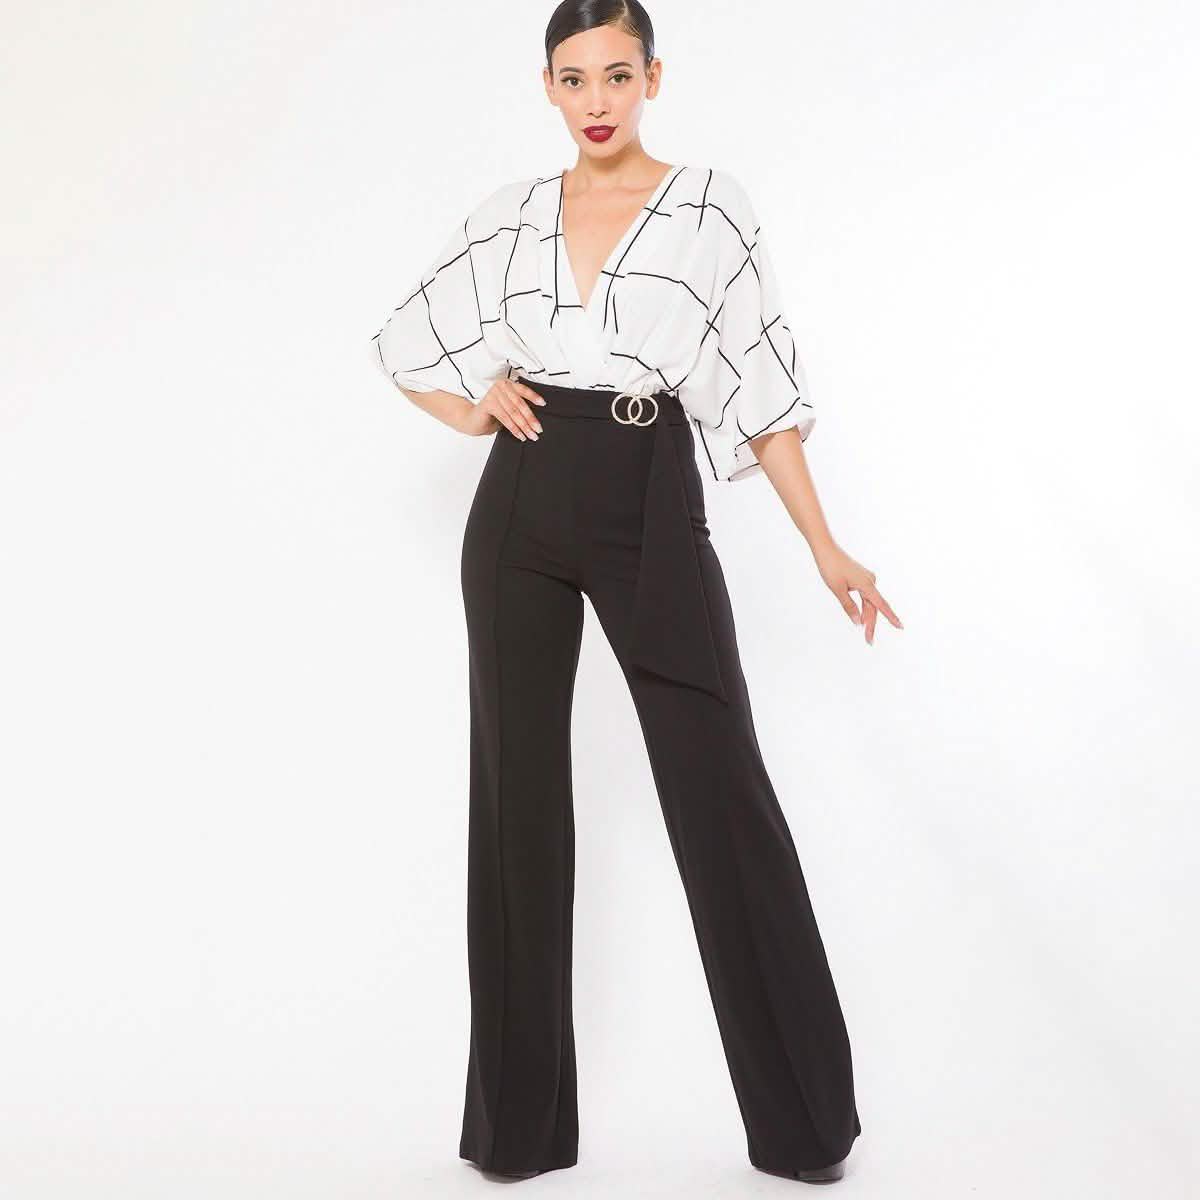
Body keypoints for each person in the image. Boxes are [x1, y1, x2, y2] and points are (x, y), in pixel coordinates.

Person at [369, 0, 901, 1184]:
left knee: (721, 791)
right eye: (574, 79)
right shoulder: (509, 215)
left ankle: (806, 1129)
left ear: (654, 77)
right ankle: (516, 1135)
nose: (597, 100)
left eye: (617, 74)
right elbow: (406, 340)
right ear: (548, 88)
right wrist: (475, 406)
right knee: (516, 807)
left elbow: (759, 388)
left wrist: (826, 547)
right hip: (519, 505)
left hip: (648, 489)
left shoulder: (711, 208)